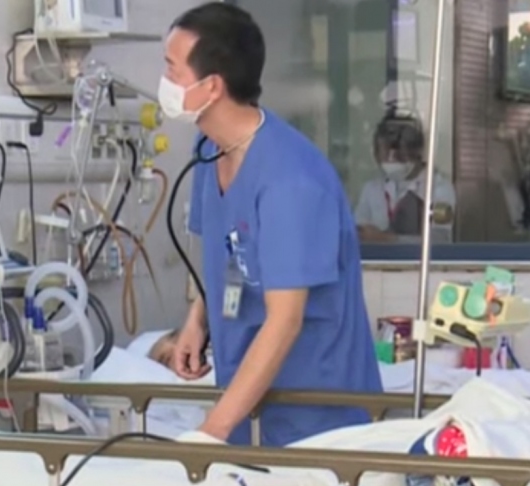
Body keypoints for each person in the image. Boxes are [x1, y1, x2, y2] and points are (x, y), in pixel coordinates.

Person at [163, 2, 382, 447]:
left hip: (316, 419)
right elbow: (228, 251)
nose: (163, 81)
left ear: (212, 86)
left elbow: (285, 321)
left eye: (172, 69)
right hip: (248, 405)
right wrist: (197, 321)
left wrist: (211, 431)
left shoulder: (290, 180)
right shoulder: (209, 149)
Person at [354, 113, 456, 243]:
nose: (391, 160)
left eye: (399, 154)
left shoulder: (439, 188)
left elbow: (440, 239)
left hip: (420, 257)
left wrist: (387, 239)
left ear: (417, 152)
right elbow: (359, 232)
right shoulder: (371, 189)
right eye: (385, 154)